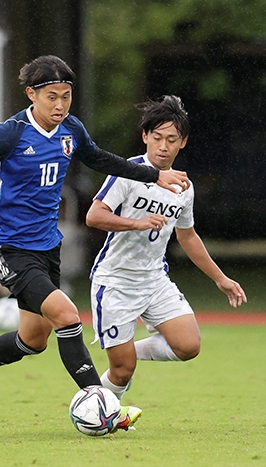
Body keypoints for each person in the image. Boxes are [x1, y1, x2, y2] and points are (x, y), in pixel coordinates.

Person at [0, 55, 191, 429]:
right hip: (9, 248)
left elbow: (99, 158)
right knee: (67, 316)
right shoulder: (10, 134)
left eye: (66, 96)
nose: (60, 105)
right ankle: (103, 407)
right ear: (31, 94)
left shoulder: (70, 130)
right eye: (52, 96)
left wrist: (152, 175)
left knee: (33, 339)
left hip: (47, 247)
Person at [86, 95, 246, 402]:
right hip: (116, 281)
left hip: (154, 280)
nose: (163, 146)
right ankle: (97, 408)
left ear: (183, 142)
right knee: (122, 372)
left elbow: (188, 237)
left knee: (188, 346)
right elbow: (94, 216)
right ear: (145, 136)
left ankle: (124, 353)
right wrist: (137, 223)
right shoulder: (128, 171)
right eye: (157, 137)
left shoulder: (183, 186)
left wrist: (220, 279)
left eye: (171, 139)